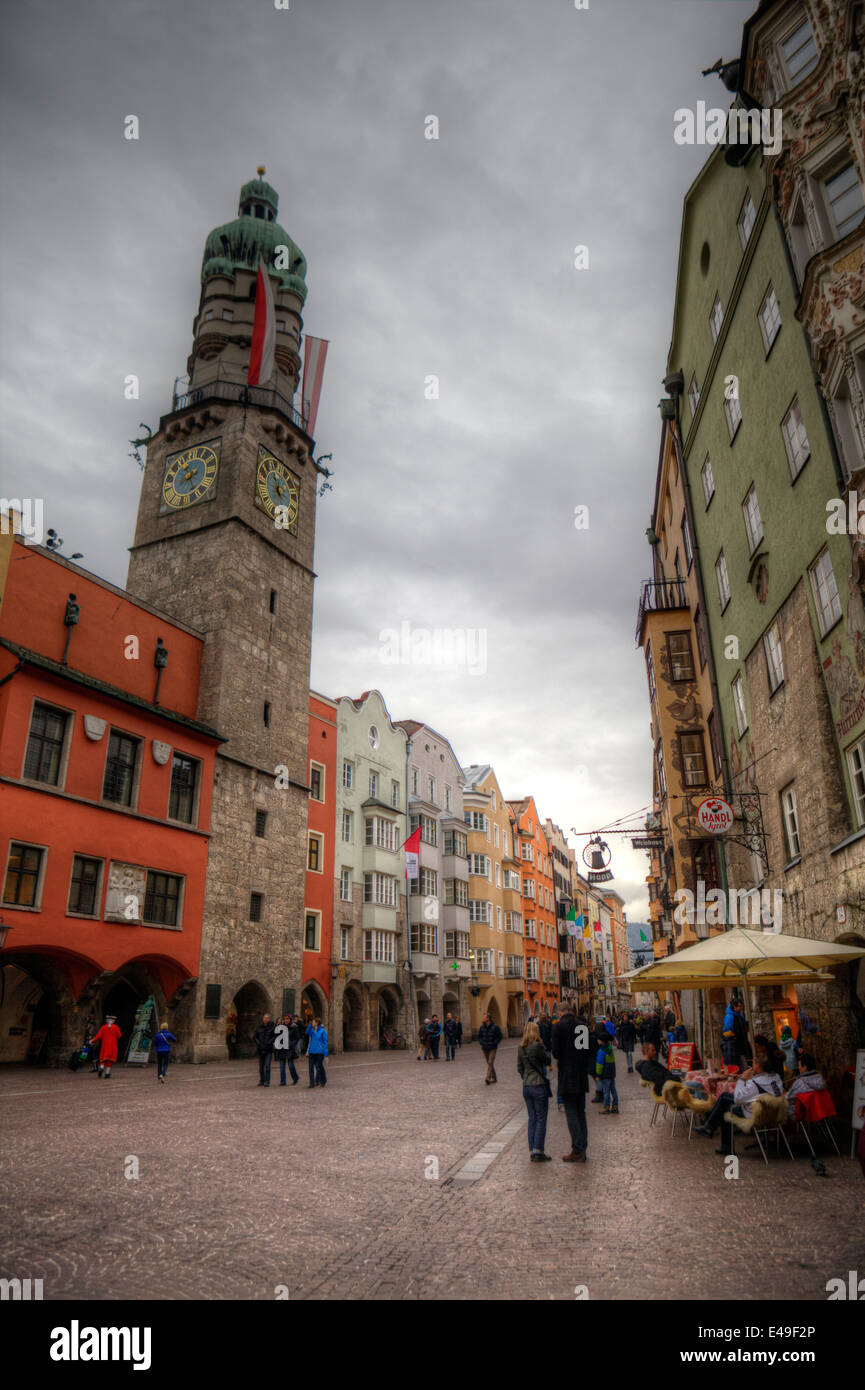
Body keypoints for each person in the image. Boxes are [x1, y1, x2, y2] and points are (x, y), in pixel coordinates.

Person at [694, 1056, 783, 1154]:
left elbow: (738, 1099)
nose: (752, 1065)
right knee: (724, 1097)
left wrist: (742, 1080)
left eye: (753, 1063)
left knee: (726, 1109)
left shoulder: (755, 1083)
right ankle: (709, 1128)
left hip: (756, 1112)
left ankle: (719, 1138)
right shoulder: (776, 1077)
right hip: (773, 1110)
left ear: (757, 1066)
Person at [551, 1005, 590, 1162]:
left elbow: (556, 1053)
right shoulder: (583, 1026)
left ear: (560, 1012)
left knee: (571, 1112)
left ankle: (578, 1149)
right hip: (581, 1074)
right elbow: (586, 1050)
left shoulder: (558, 1027)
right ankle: (582, 1147)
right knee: (581, 1112)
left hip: (567, 1075)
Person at [517, 1020, 553, 1162]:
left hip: (526, 1086)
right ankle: (538, 1150)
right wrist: (543, 1045)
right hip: (538, 1085)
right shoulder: (537, 1046)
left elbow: (519, 1068)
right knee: (541, 1118)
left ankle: (532, 1149)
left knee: (532, 1118)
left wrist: (526, 1077)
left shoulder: (521, 1048)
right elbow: (548, 1060)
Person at [721, 999, 750, 1070]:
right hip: (734, 1047)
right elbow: (728, 1033)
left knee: (743, 1067)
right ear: (734, 1007)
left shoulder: (740, 1016)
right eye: (739, 1006)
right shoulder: (729, 1017)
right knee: (739, 1068)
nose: (741, 1008)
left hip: (741, 1046)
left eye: (741, 1006)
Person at [274, 1014, 299, 1086]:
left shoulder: (294, 1027)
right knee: (282, 1066)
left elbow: (296, 1038)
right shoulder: (281, 1027)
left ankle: (295, 1078)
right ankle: (283, 1081)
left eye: (287, 1019)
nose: (286, 1020)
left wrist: (291, 1044)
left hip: (290, 1049)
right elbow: (276, 1035)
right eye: (285, 1019)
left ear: (290, 1020)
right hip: (282, 1048)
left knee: (291, 1065)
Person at [478, 1012, 503, 1084]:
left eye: (484, 1017)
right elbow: (479, 1036)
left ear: (488, 1018)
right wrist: (481, 1042)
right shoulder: (482, 1027)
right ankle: (494, 1078)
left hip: (492, 1048)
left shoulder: (495, 1027)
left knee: (490, 1062)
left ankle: (488, 1077)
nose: (483, 1018)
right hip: (485, 1047)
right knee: (490, 1064)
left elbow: (499, 1036)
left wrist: (495, 1043)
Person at [596, 1033, 618, 1113]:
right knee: (613, 1090)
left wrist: (598, 1074)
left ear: (601, 1041)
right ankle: (615, 1106)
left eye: (598, 1039)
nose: (597, 1040)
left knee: (606, 1091)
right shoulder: (610, 1048)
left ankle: (606, 1107)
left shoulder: (601, 1051)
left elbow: (599, 1065)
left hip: (605, 1075)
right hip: (611, 1073)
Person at [253, 1013, 276, 1087]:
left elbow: (275, 1036)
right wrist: (258, 1043)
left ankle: (267, 1081)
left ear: (269, 1019)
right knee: (261, 1066)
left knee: (267, 1066)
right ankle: (262, 1080)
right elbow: (255, 1037)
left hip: (268, 1049)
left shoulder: (272, 1027)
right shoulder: (259, 1027)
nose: (265, 1019)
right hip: (261, 1049)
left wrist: (270, 1042)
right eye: (264, 1018)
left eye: (267, 1018)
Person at [306, 1017, 328, 1087]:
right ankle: (312, 1083)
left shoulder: (322, 1031)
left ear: (317, 1023)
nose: (312, 1023)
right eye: (312, 1022)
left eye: (313, 1022)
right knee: (310, 1068)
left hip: (319, 1052)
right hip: (312, 1051)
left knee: (319, 1067)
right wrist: (309, 1025)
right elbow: (307, 1032)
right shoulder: (311, 1030)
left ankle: (323, 1080)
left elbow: (325, 1042)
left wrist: (326, 1053)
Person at [591, 1019, 608, 1103]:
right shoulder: (605, 1036)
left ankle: (599, 1095)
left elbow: (592, 1050)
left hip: (596, 1060)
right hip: (605, 1061)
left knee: (597, 1078)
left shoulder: (595, 1037)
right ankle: (603, 1094)